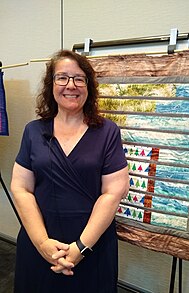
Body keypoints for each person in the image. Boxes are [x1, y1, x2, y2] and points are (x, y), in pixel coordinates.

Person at [10, 49, 129, 293]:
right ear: (51, 85)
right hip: (38, 244)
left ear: (89, 86)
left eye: (79, 78)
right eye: (62, 77)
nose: (70, 85)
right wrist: (43, 244)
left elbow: (113, 193)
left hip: (92, 247)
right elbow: (21, 187)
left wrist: (80, 248)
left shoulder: (107, 132)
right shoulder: (33, 131)